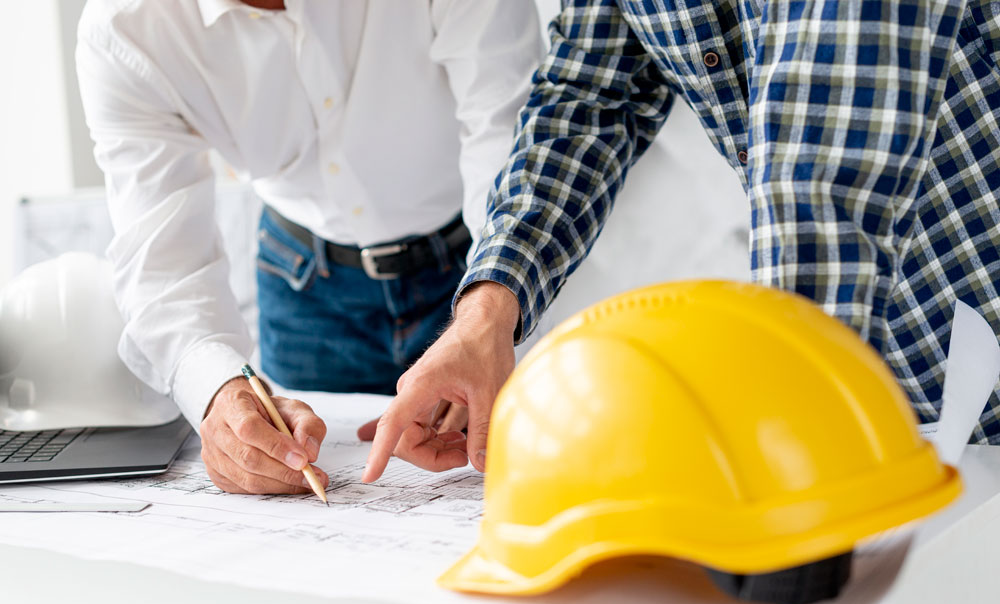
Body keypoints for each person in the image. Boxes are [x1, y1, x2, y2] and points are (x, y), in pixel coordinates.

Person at [362, 0, 1000, 482]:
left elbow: (826, 139)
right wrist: (486, 314)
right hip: (885, 367)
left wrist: (794, 443)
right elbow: (590, 98)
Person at [76, 0, 542, 494]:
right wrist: (216, 391)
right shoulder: (126, 30)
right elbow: (162, 259)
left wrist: (487, 318)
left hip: (473, 263)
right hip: (304, 291)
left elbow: (511, 137)